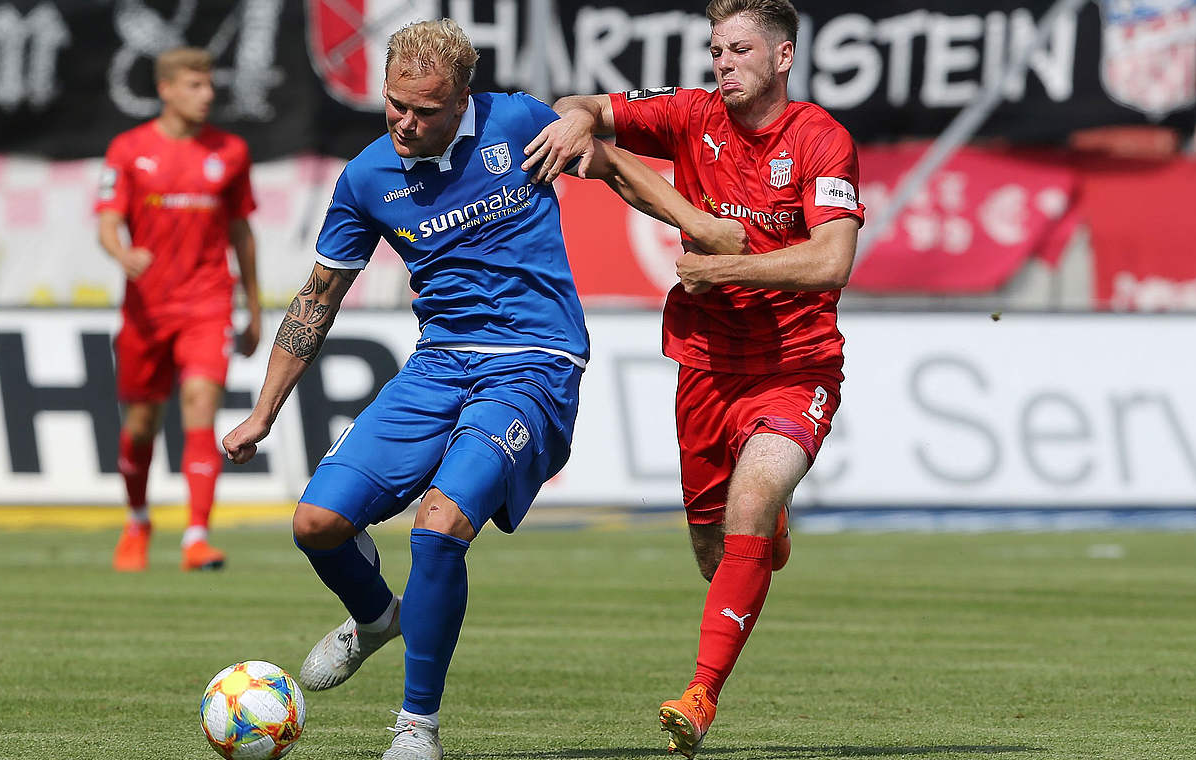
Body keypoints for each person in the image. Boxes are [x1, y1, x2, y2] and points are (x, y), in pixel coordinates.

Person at [221, 18, 742, 760]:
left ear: (464, 98)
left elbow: (619, 168)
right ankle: (375, 618)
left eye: (424, 110)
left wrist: (700, 225)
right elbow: (318, 297)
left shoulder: (520, 123)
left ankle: (415, 729)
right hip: (440, 364)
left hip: (535, 364)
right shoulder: (367, 176)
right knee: (316, 524)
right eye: (394, 104)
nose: (404, 122)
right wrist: (262, 413)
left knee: (439, 528)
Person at [523, 0, 865, 756]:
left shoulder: (817, 138)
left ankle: (700, 695)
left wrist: (724, 262)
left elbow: (831, 260)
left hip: (794, 366)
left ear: (782, 58)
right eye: (716, 50)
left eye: (740, 49)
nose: (723, 63)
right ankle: (763, 529)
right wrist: (579, 119)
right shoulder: (688, 115)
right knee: (715, 553)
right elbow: (581, 109)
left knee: (752, 494)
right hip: (705, 366)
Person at [95, 47, 262, 573]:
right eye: (194, 85)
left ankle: (196, 536)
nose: (206, 94)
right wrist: (123, 254)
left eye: (209, 84)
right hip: (146, 309)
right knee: (141, 424)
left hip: (207, 303)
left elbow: (241, 230)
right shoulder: (128, 150)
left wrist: (253, 306)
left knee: (199, 404)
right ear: (165, 89)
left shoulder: (230, 151)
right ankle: (138, 520)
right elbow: (106, 219)